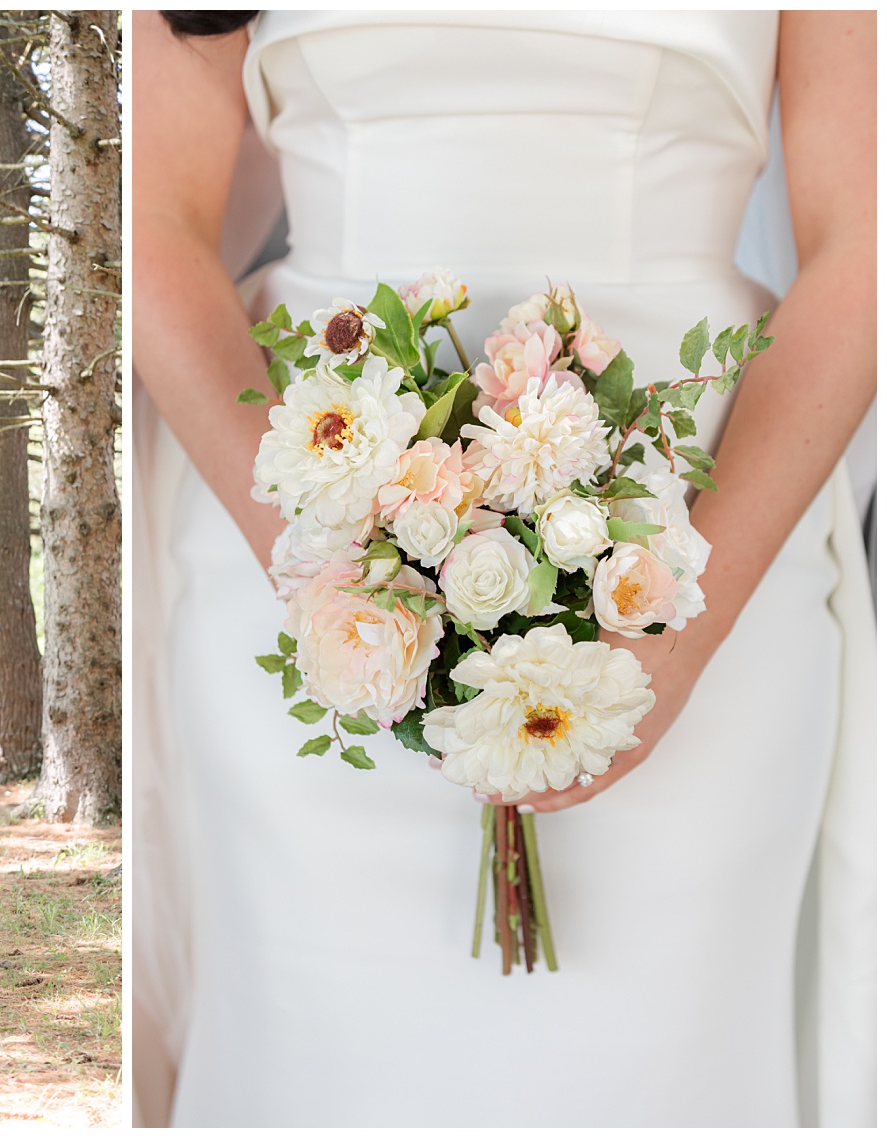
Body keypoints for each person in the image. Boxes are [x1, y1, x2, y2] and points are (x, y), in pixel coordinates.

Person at [133, 10, 873, 1127]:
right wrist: (332, 576)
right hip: (291, 500)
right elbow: (149, 220)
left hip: (709, 501)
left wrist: (679, 626)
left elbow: (865, 233)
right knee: (317, 1040)